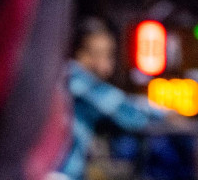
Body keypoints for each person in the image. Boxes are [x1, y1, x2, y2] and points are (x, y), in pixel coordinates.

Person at [54, 18, 165, 180]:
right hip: (59, 174)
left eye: (110, 55)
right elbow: (127, 112)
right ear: (80, 53)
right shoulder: (74, 79)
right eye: (100, 54)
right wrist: (165, 112)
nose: (108, 64)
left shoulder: (67, 77)